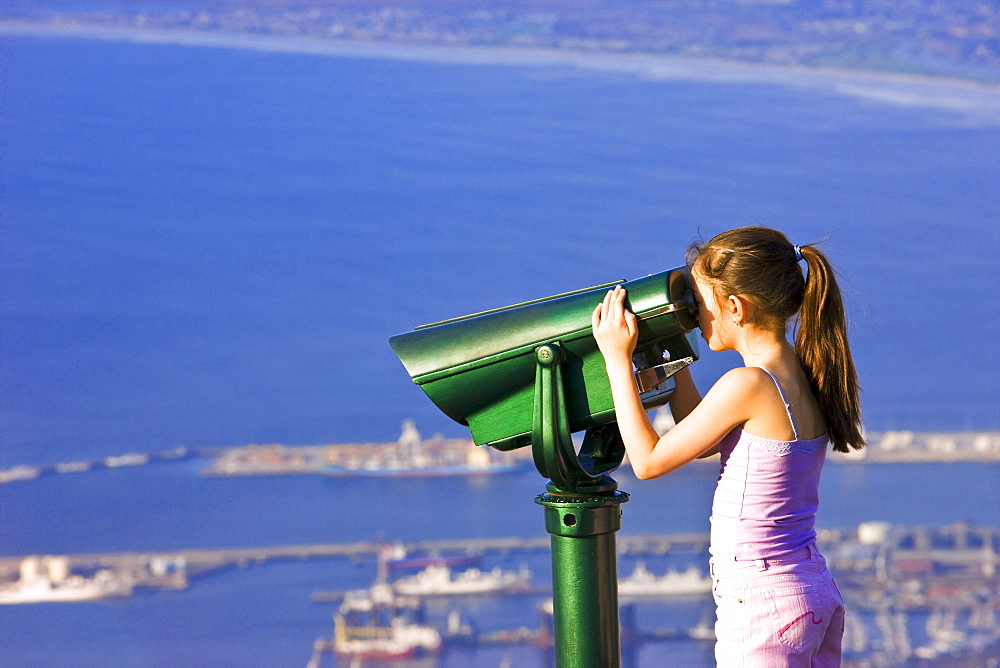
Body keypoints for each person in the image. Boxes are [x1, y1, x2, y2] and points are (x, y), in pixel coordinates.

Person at [591, 225, 864, 666]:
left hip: (765, 606)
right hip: (808, 591)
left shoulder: (747, 384)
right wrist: (675, 365)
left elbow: (646, 461)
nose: (694, 316)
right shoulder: (801, 373)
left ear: (735, 307)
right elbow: (698, 443)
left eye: (699, 304)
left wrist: (616, 358)